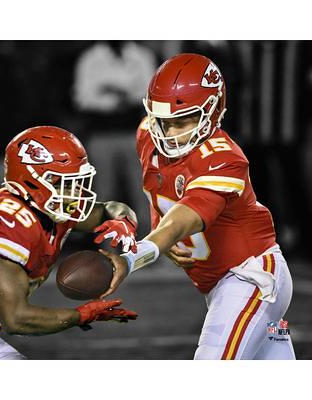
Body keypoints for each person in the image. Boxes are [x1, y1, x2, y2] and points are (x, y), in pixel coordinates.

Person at [100, 53, 295, 360]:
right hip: (223, 285)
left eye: (183, 122)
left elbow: (182, 219)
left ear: (212, 111)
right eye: (163, 122)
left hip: (251, 278)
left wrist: (134, 256)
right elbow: (160, 189)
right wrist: (163, 235)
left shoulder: (223, 158)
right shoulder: (148, 135)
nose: (170, 134)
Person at [0, 126, 138, 360]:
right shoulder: (6, 221)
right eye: (64, 182)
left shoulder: (51, 206)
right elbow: (16, 318)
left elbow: (108, 209)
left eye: (77, 181)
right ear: (31, 182)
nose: (76, 192)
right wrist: (81, 315)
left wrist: (123, 219)